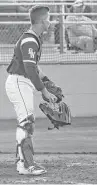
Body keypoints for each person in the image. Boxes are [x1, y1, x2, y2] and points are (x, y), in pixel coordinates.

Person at [5, 5, 57, 175]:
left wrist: (48, 81)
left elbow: (34, 67)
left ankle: (22, 160)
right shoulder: (30, 40)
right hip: (20, 81)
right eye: (48, 18)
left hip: (22, 82)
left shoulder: (33, 38)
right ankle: (25, 165)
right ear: (42, 21)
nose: (50, 21)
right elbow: (29, 69)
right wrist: (44, 91)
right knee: (26, 122)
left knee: (27, 121)